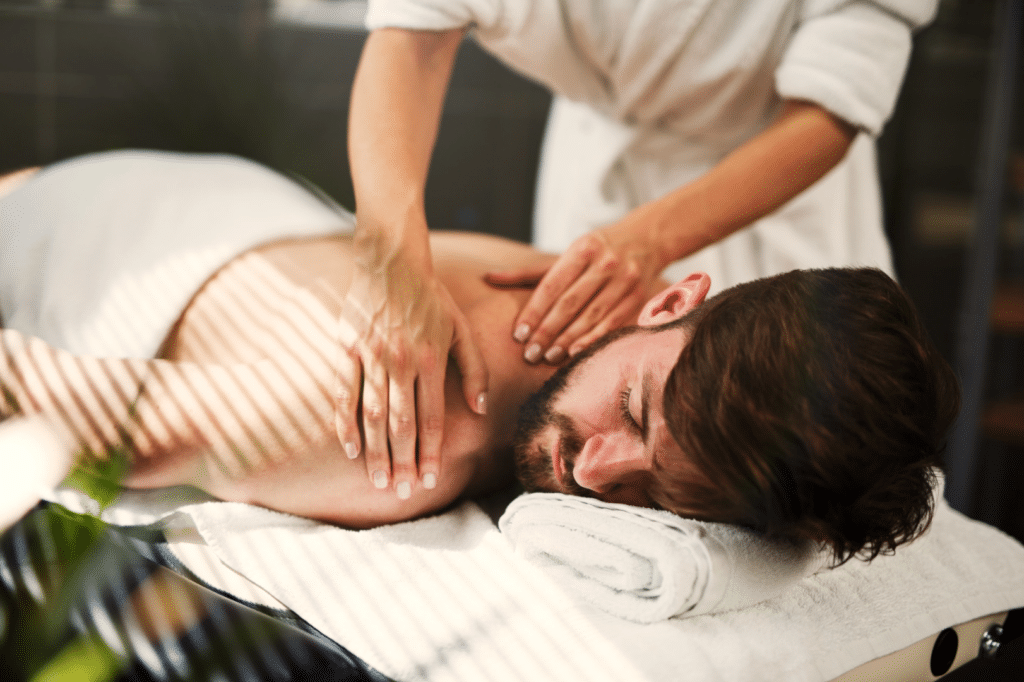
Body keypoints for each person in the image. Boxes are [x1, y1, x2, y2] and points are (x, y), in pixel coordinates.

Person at [0, 151, 957, 564]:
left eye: (660, 497)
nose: (593, 471)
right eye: (633, 412)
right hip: (51, 229)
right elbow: (39, 400)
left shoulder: (583, 308)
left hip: (197, 197)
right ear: (670, 297)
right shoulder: (387, 435)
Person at [338, 0, 940, 498]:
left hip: (769, 189)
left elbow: (827, 114)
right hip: (601, 157)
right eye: (628, 404)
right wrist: (391, 255)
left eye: (632, 405)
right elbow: (413, 40)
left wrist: (649, 239)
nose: (589, 473)